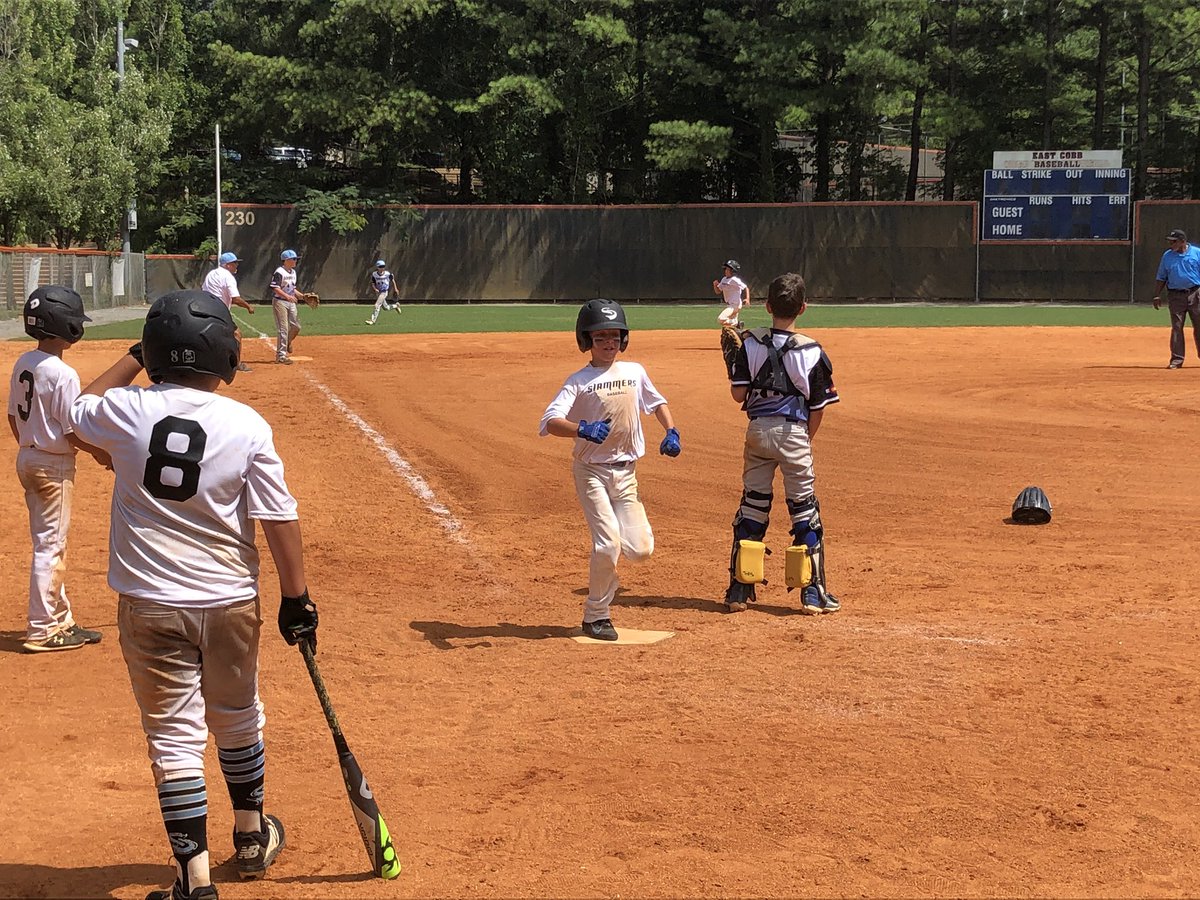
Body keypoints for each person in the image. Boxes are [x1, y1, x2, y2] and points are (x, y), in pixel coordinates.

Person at [69, 291, 319, 900]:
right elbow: (278, 516)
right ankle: (252, 836)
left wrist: (133, 357)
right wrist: (296, 598)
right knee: (238, 715)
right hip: (230, 600)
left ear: (155, 352)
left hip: (150, 603)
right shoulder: (246, 423)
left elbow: (76, 410)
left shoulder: (125, 411)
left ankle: (194, 878)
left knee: (174, 736)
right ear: (226, 355)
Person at [539, 299, 681, 641]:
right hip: (591, 472)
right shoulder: (579, 380)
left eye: (615, 336)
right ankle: (596, 615)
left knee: (641, 549)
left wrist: (671, 430)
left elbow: (657, 402)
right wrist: (581, 429)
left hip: (626, 474)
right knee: (607, 545)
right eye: (601, 336)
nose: (609, 343)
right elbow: (549, 421)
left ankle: (608, 577)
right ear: (586, 340)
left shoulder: (634, 371)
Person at [722, 272, 840, 616]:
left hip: (758, 431)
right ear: (803, 308)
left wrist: (734, 364)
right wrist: (803, 441)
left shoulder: (750, 343)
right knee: (804, 509)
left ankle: (739, 588)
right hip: (794, 433)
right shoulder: (813, 351)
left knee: (753, 506)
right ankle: (812, 592)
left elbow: (738, 394)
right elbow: (817, 409)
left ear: (767, 305)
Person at [6, 286, 107, 653]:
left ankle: (60, 619)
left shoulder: (24, 363)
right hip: (53, 465)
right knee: (51, 546)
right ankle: (43, 628)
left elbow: (12, 418)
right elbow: (74, 429)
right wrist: (102, 454)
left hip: (28, 458)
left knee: (46, 542)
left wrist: (30, 445)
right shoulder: (62, 373)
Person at [1152, 228, 1200, 368]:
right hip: (1175, 295)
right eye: (1170, 241)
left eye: (1174, 241)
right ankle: (1177, 359)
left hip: (1195, 293)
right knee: (1177, 327)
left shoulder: (1197, 253)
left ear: (1183, 241)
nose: (1171, 244)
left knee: (1199, 325)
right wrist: (1156, 294)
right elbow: (1161, 276)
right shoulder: (1167, 256)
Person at [201, 251, 255, 373]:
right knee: (236, 334)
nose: (236, 265)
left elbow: (203, 289)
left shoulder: (211, 274)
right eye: (234, 263)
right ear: (227, 265)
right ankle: (237, 363)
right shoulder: (228, 276)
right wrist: (248, 306)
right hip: (219, 310)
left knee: (211, 335)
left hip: (206, 308)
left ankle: (208, 362)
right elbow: (235, 298)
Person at [270, 249, 302, 365]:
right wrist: (287, 297)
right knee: (283, 329)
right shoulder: (279, 272)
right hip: (280, 302)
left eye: (296, 259)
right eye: (294, 259)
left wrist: (303, 296)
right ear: (286, 260)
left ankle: (288, 341)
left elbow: (293, 289)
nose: (295, 261)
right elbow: (275, 287)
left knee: (296, 326)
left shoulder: (293, 272)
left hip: (291, 302)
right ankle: (281, 356)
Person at [713, 259, 750, 328]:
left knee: (721, 319)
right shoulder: (724, 279)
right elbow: (718, 291)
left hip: (735, 305)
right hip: (730, 305)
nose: (725, 271)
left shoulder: (734, 280)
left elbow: (745, 287)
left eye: (727, 269)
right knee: (728, 325)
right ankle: (736, 325)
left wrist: (747, 299)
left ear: (733, 271)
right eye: (725, 269)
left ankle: (736, 323)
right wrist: (715, 285)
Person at [365, 259, 402, 325]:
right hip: (378, 292)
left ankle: (372, 320)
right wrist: (375, 289)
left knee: (377, 305)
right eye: (380, 267)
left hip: (384, 292)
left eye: (383, 266)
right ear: (377, 267)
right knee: (386, 308)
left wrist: (395, 289)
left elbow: (392, 280)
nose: (382, 268)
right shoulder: (374, 274)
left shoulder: (388, 274)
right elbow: (373, 283)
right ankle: (396, 305)